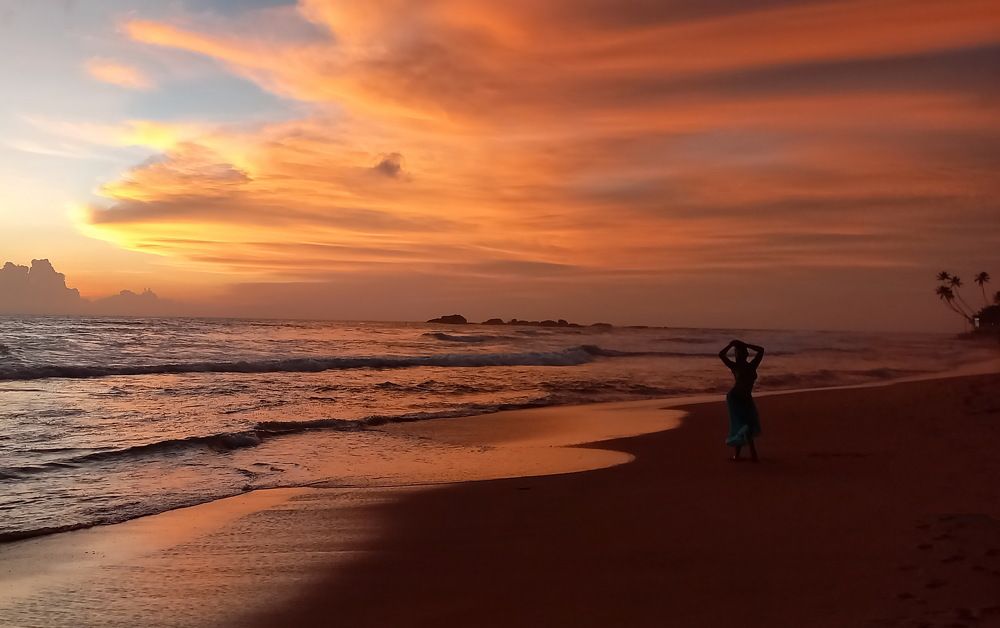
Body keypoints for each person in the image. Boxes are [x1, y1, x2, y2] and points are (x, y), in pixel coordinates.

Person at [718, 339, 764, 462]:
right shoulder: (734, 366)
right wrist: (731, 345)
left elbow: (761, 350)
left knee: (747, 425)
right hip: (735, 398)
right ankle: (750, 454)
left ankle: (741, 455)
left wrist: (746, 344)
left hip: (747, 398)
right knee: (741, 425)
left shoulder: (752, 365)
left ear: (746, 354)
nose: (738, 355)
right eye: (736, 353)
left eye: (741, 352)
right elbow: (721, 355)